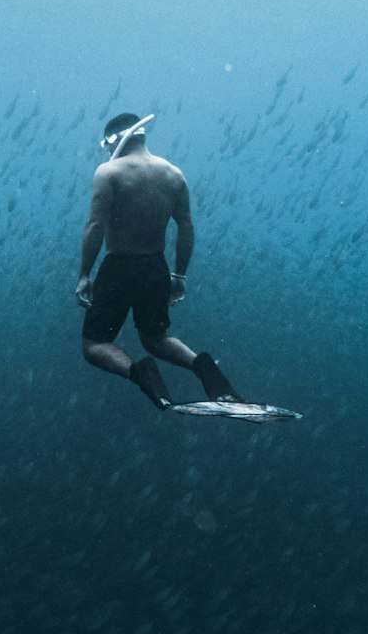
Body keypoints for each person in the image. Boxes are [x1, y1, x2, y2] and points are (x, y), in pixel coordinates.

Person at [76, 112, 244, 410]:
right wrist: (180, 276)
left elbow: (95, 226)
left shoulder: (109, 172)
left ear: (114, 140)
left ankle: (141, 373)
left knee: (94, 344)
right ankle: (204, 368)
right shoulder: (173, 174)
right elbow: (186, 228)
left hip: (118, 267)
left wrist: (84, 275)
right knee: (155, 338)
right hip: (155, 268)